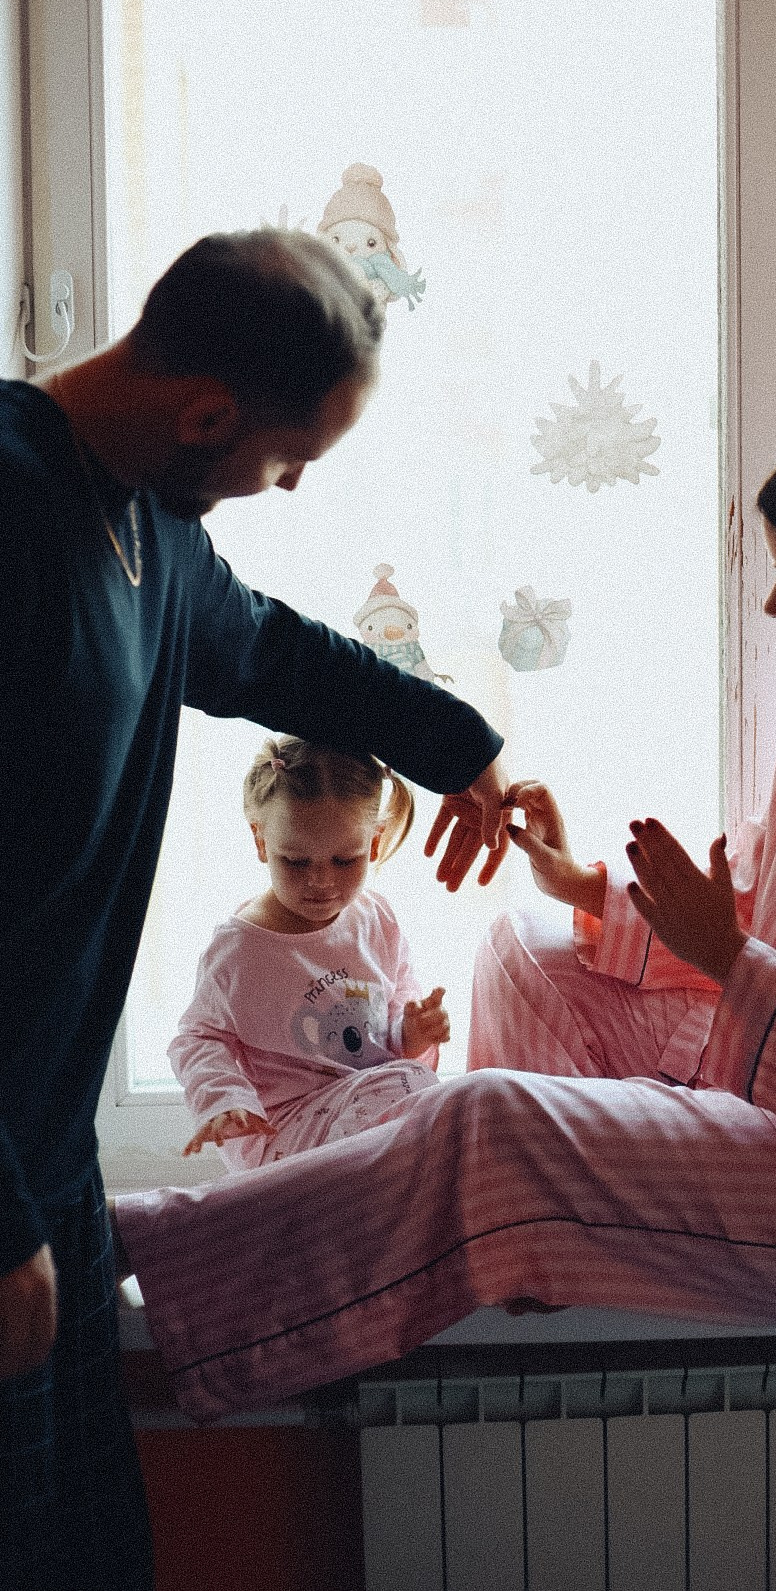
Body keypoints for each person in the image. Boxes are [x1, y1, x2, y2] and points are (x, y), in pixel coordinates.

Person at [113, 409, 776, 1426]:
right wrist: (580, 887)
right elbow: (761, 896)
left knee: (484, 1119)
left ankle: (159, 1253)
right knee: (521, 949)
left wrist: (729, 957)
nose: (772, 600)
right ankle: (560, 1238)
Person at [0, 229, 506, 1589]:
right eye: (290, 458)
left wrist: (469, 754)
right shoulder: (13, 508)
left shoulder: (153, 525)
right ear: (204, 410)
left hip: (46, 1172)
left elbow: (274, 650)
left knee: (93, 1550)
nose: (281, 488)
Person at [172, 735, 450, 1168]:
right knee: (416, 1088)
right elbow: (198, 1037)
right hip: (283, 1134)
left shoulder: (377, 919)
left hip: (370, 1111)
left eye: (345, 860)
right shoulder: (239, 948)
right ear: (261, 842)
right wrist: (224, 1099)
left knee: (433, 1100)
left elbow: (389, 1031)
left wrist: (411, 1034)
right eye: (296, 862)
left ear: (374, 845)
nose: (320, 881)